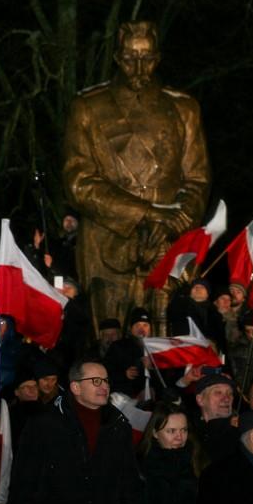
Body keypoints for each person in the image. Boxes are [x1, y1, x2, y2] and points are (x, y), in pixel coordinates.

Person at [63, 20, 210, 334]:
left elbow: (197, 179)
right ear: (117, 57)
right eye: (131, 59)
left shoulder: (184, 108)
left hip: (166, 245)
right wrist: (145, 213)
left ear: (157, 58)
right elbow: (79, 182)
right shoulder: (88, 107)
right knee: (108, 342)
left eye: (147, 59)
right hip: (108, 244)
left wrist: (177, 219)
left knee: (165, 346)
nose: (140, 69)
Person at [5, 360, 141, 504]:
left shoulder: (118, 427)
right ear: (76, 387)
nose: (104, 386)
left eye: (106, 381)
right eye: (95, 381)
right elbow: (23, 487)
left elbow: (129, 493)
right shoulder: (44, 425)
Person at [189, 373, 239, 463]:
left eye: (230, 393)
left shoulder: (241, 431)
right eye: (218, 392)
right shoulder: (187, 433)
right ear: (200, 399)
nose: (226, 398)